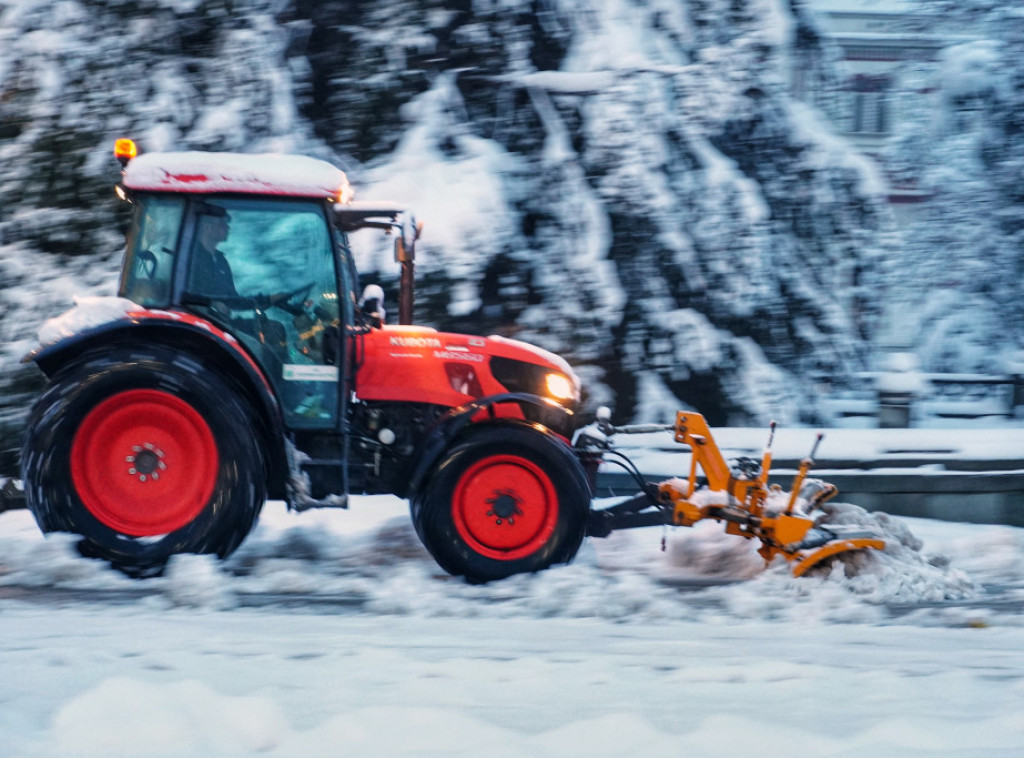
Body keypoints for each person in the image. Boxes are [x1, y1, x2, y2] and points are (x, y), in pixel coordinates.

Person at [189, 209, 237, 297]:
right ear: (206, 228)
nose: (228, 227)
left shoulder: (221, 260)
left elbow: (233, 297)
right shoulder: (191, 258)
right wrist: (212, 303)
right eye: (222, 224)